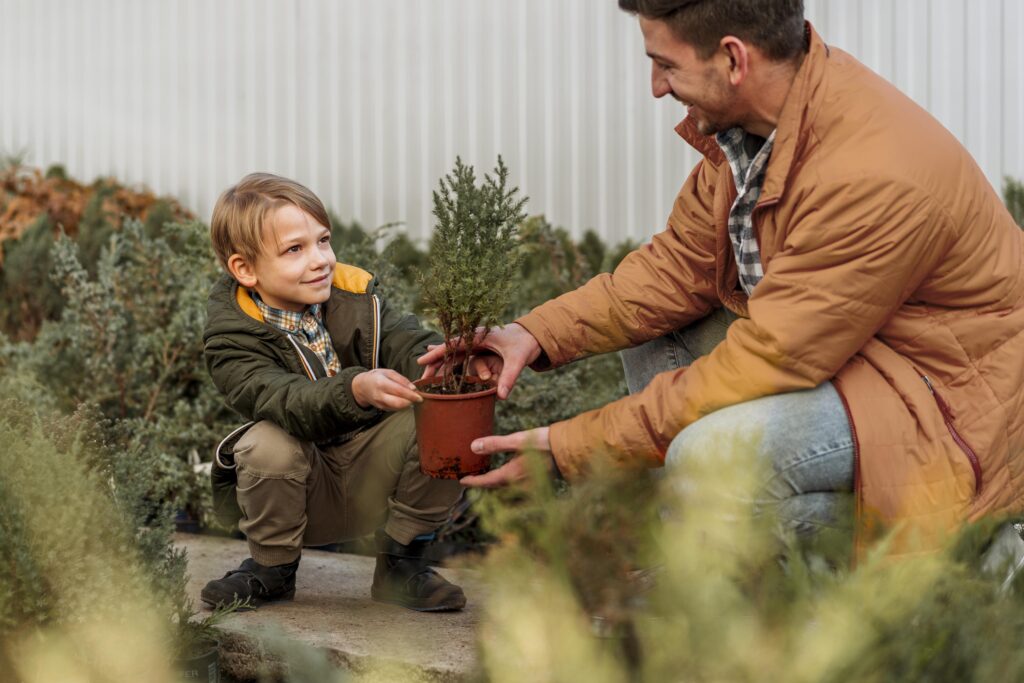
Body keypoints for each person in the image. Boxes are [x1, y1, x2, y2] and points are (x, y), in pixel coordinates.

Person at [419, 0, 1024, 557]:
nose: (657, 87)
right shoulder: (761, 129)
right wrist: (532, 334)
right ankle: (709, 546)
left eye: (665, 65)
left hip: (938, 401)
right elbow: (679, 266)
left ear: (734, 59)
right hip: (853, 356)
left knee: (708, 460)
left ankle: (970, 554)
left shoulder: (870, 173)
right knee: (658, 343)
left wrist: (568, 448)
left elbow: (768, 358)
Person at [201, 173, 466, 611]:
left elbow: (407, 342)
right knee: (266, 442)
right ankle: (272, 569)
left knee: (445, 415)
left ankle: (402, 563)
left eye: (323, 241)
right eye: (295, 249)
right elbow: (285, 400)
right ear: (245, 269)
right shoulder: (232, 337)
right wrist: (355, 388)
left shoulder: (355, 296)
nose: (320, 260)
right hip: (302, 492)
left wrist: (450, 360)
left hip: (374, 478)